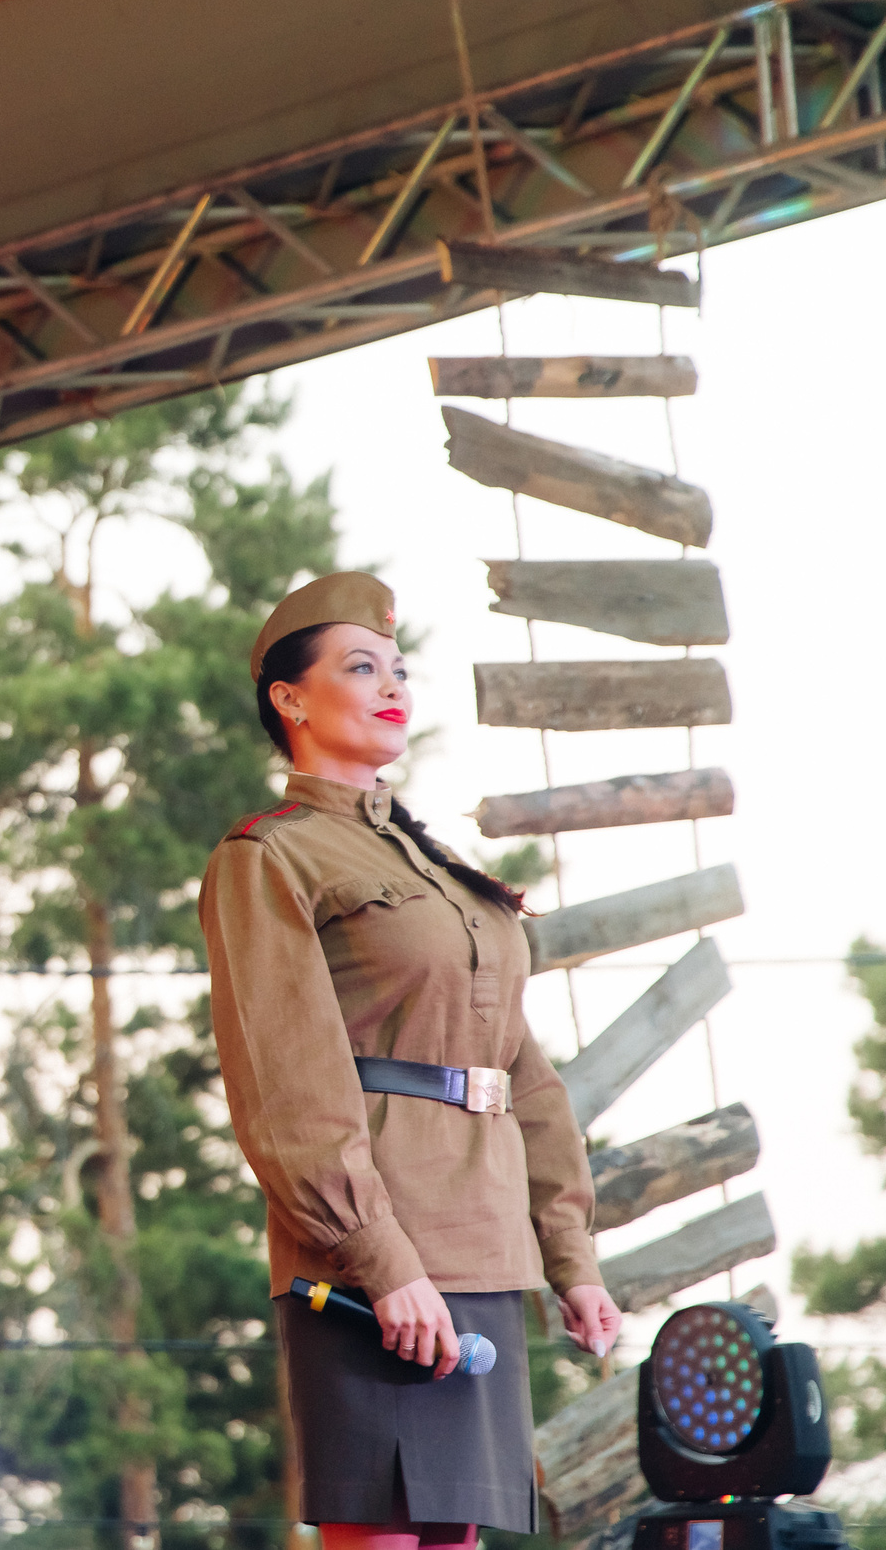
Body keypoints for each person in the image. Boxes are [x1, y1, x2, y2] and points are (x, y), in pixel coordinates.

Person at [199, 573, 621, 1550]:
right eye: (358, 666)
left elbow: (525, 1077)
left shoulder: (436, 866)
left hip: (480, 1239)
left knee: (452, 1538)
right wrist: (382, 1263)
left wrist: (571, 1257)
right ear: (289, 697)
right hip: (366, 1247)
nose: (391, 683)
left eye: (396, 667)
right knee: (381, 1537)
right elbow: (287, 1090)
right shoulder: (272, 855)